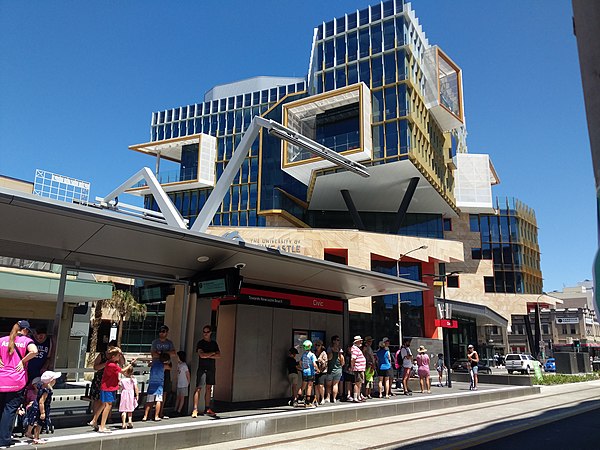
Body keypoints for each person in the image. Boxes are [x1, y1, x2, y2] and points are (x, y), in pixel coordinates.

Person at [0, 320, 38, 448]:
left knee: (1, 409)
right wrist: (23, 361)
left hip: (1, 380)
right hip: (16, 381)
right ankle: (4, 439)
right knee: (9, 410)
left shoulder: (3, 339)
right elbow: (34, 351)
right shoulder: (26, 340)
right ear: (25, 330)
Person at [92, 347, 136, 433]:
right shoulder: (112, 365)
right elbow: (123, 371)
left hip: (109, 387)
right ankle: (102, 426)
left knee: (104, 404)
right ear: (113, 356)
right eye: (118, 356)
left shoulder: (111, 363)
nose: (119, 357)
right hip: (108, 388)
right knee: (108, 406)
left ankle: (94, 420)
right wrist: (131, 364)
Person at [88, 339, 122, 425]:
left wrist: (120, 355)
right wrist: (106, 364)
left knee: (107, 401)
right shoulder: (103, 355)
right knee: (98, 399)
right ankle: (95, 418)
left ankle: (106, 418)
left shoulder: (116, 357)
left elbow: (122, 364)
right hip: (100, 378)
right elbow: (95, 367)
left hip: (111, 380)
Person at [192, 325, 220, 418]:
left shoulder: (214, 343)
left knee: (209, 388)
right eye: (204, 332)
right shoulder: (200, 343)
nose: (205, 334)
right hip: (202, 368)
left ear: (210, 332)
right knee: (198, 388)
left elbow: (219, 356)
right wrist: (212, 353)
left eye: (207, 332)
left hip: (211, 368)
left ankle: (207, 408)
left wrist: (207, 355)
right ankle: (195, 409)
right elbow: (201, 355)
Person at [27, 370, 61, 444]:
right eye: (54, 379)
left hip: (36, 406)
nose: (55, 381)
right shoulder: (46, 391)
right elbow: (41, 402)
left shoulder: (41, 386)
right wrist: (43, 412)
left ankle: (29, 433)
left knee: (33, 420)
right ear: (50, 381)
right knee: (39, 423)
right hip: (40, 408)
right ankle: (36, 437)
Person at [151, 325, 176, 418]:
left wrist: (162, 353)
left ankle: (160, 411)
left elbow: (173, 353)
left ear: (167, 332)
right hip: (157, 368)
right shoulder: (155, 342)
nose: (162, 333)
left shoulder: (169, 343)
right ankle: (151, 412)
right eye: (161, 331)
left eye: (164, 331)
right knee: (154, 390)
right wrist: (162, 354)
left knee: (164, 391)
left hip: (166, 368)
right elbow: (153, 353)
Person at [142, 352, 170, 422]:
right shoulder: (164, 365)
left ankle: (145, 416)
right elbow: (170, 367)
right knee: (158, 400)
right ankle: (156, 416)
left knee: (149, 401)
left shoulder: (154, 363)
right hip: (159, 384)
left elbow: (149, 364)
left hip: (152, 383)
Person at [324, 335, 344, 403]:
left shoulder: (330, 349)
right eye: (337, 340)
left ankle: (328, 397)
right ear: (334, 341)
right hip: (338, 369)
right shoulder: (340, 350)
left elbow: (329, 358)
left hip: (331, 369)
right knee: (335, 384)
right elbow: (342, 362)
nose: (338, 341)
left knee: (328, 385)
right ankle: (334, 398)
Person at [299, 340, 317, 408]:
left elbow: (300, 362)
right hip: (310, 372)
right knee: (309, 386)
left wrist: (302, 368)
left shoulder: (303, 355)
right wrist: (318, 369)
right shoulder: (312, 355)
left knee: (302, 386)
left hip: (304, 372)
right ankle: (308, 401)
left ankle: (297, 399)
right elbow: (314, 364)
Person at [350, 335, 366, 402]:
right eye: (360, 341)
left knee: (359, 383)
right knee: (357, 383)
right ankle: (355, 397)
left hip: (361, 368)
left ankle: (359, 396)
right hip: (358, 368)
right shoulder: (355, 349)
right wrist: (352, 366)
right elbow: (353, 359)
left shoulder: (357, 348)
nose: (361, 342)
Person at [174, 351, 190, 416]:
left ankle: (179, 410)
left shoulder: (184, 365)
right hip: (179, 383)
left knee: (182, 397)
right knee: (178, 397)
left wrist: (188, 382)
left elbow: (188, 374)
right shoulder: (179, 364)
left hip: (184, 384)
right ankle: (175, 409)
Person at [313, 340, 328, 405]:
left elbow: (326, 362)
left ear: (321, 346)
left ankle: (322, 398)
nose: (317, 347)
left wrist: (321, 360)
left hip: (322, 371)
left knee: (321, 385)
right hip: (315, 371)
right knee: (316, 386)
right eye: (316, 345)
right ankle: (317, 399)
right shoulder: (314, 353)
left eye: (318, 345)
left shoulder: (324, 353)